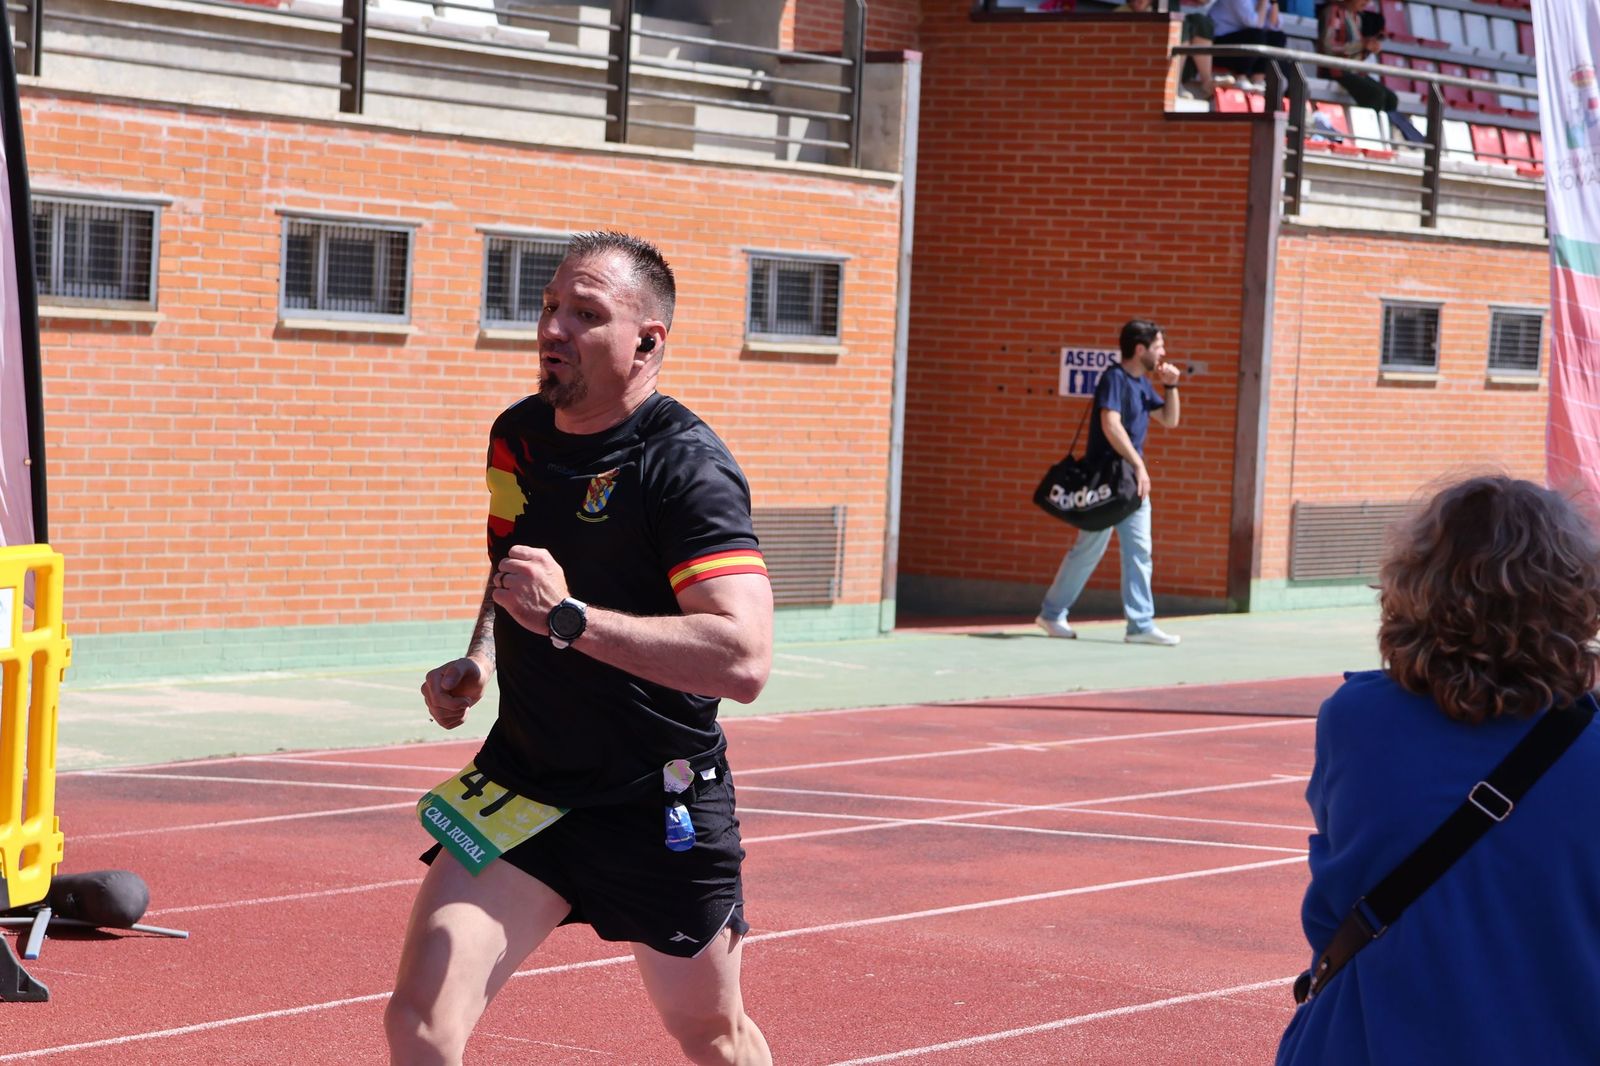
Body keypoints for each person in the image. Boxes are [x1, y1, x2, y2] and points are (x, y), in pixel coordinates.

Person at [386, 231, 775, 1066]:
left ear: (647, 340)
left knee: (711, 1035)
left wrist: (567, 621)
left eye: (586, 313)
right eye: (551, 306)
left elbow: (743, 658)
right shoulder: (518, 437)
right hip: (525, 787)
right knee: (419, 1024)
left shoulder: (685, 468)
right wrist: (481, 660)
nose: (553, 328)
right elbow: (510, 570)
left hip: (656, 800)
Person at [1276, 476, 1600, 1065]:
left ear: (1415, 586)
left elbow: (1333, 904)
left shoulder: (1355, 720)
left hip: (1368, 1041)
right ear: (1575, 597)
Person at [1035, 319, 1183, 646]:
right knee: (1086, 551)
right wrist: (1139, 464)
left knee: (1140, 551)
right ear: (1140, 349)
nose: (1163, 352)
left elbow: (1169, 421)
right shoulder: (1113, 379)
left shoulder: (1143, 384)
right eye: (1158, 346)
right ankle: (1051, 613)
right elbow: (1110, 424)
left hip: (1132, 483)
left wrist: (1171, 386)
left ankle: (1140, 625)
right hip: (1108, 482)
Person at [1316, 0, 1425, 144]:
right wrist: (1362, 44)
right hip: (1334, 69)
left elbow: (1356, 53)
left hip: (1354, 70)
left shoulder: (1356, 17)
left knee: (1391, 98)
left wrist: (1368, 47)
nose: (1366, 2)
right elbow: (1328, 47)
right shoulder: (1334, 12)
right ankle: (1371, 137)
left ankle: (1402, 136)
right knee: (1375, 95)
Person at [1115, 0, 1235, 99]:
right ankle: (1175, 86)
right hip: (1146, 68)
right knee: (1179, 26)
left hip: (1173, 63)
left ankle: (1207, 82)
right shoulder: (1121, 13)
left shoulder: (1165, 5)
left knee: (1200, 22)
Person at [1208, 0, 1291, 88]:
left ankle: (1258, 79)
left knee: (1277, 37)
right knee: (1256, 35)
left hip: (1239, 41)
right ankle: (1241, 78)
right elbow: (1255, 24)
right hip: (1217, 46)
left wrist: (1274, 2)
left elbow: (1274, 25)